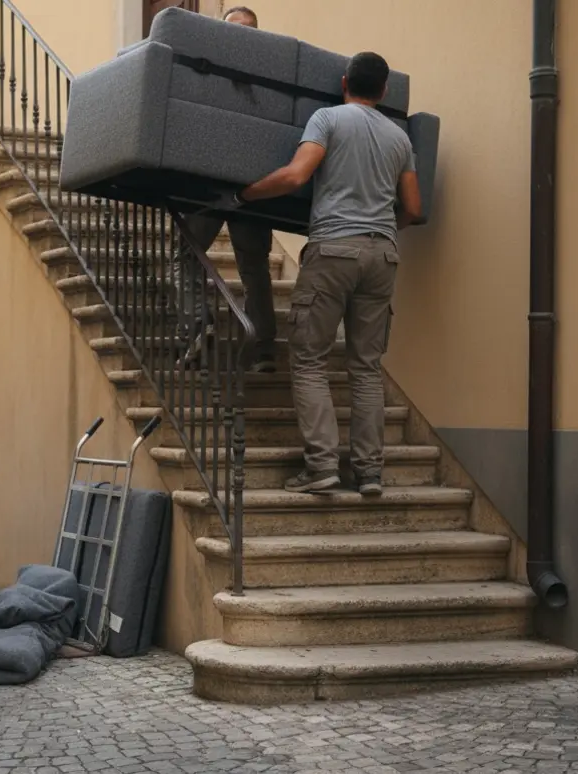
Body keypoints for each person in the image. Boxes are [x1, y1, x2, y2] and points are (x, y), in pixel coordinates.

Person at [215, 51, 422, 495]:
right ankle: (369, 473)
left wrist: (243, 195)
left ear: (345, 81)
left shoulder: (327, 118)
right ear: (384, 91)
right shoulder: (400, 138)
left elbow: (295, 176)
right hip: (383, 255)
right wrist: (380, 230)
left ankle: (322, 467)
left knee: (308, 360)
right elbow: (414, 209)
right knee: (366, 367)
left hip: (333, 250)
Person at [173, 5, 278, 374]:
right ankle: (263, 350)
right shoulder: (274, 78)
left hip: (217, 186)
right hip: (248, 187)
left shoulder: (207, 73)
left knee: (188, 257)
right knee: (254, 269)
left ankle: (201, 327)